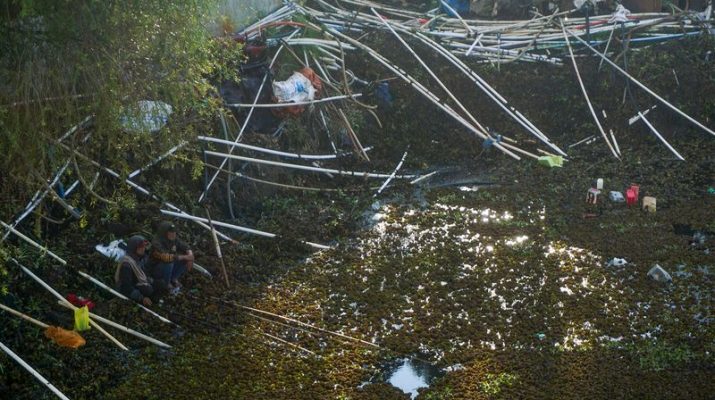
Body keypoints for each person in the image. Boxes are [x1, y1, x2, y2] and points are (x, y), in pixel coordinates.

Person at [149, 221, 193, 293]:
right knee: (170, 262)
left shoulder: (174, 240)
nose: (173, 234)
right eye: (171, 232)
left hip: (167, 266)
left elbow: (186, 247)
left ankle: (173, 279)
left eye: (174, 232)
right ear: (164, 233)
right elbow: (166, 257)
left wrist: (190, 257)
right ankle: (167, 283)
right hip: (155, 268)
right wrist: (185, 257)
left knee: (184, 259)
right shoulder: (156, 242)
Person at [115, 235, 154, 306]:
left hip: (136, 283)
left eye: (144, 247)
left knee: (158, 284)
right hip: (127, 290)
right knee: (148, 290)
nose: (143, 249)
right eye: (141, 247)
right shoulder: (126, 264)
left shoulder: (138, 258)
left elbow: (143, 272)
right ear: (134, 248)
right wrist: (141, 298)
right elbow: (126, 287)